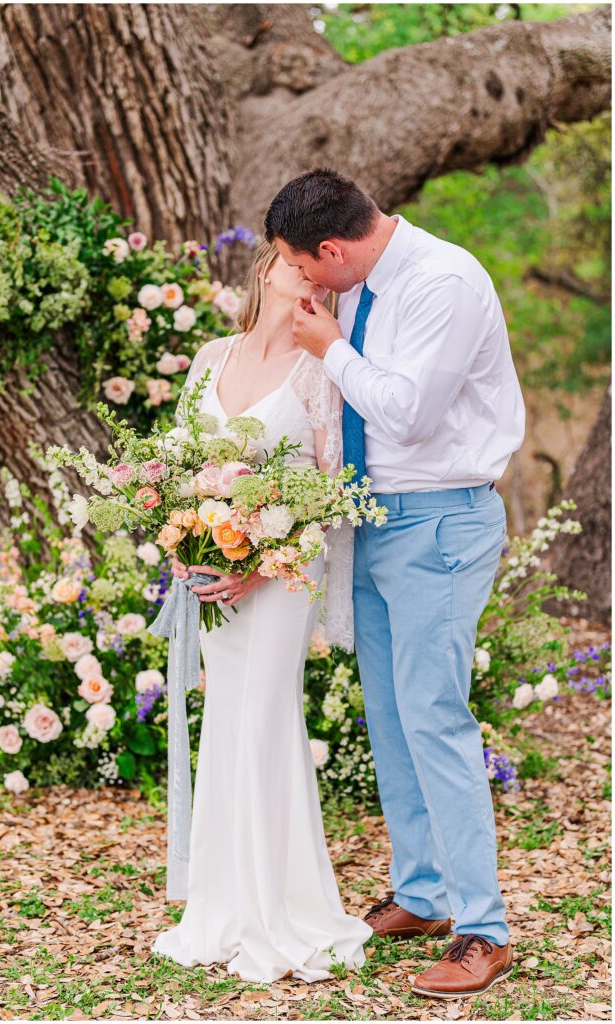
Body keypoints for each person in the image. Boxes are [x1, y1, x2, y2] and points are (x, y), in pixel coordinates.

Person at [265, 167, 525, 1000]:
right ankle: (423, 894)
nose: (303, 281)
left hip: (440, 522)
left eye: (303, 266)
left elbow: (408, 414)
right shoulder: (371, 285)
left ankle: (484, 929)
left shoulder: (443, 280)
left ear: (333, 249)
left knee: (435, 717)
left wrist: (327, 348)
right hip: (374, 523)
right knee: (392, 714)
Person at [150, 239, 372, 983]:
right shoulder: (213, 356)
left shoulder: (320, 369)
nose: (305, 269)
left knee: (267, 715)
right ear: (266, 267)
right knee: (226, 716)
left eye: (317, 264)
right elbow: (178, 468)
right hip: (213, 568)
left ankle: (283, 908)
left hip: (281, 576)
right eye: (291, 257)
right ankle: (220, 904)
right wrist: (181, 542)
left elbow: (330, 492)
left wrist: (259, 564)